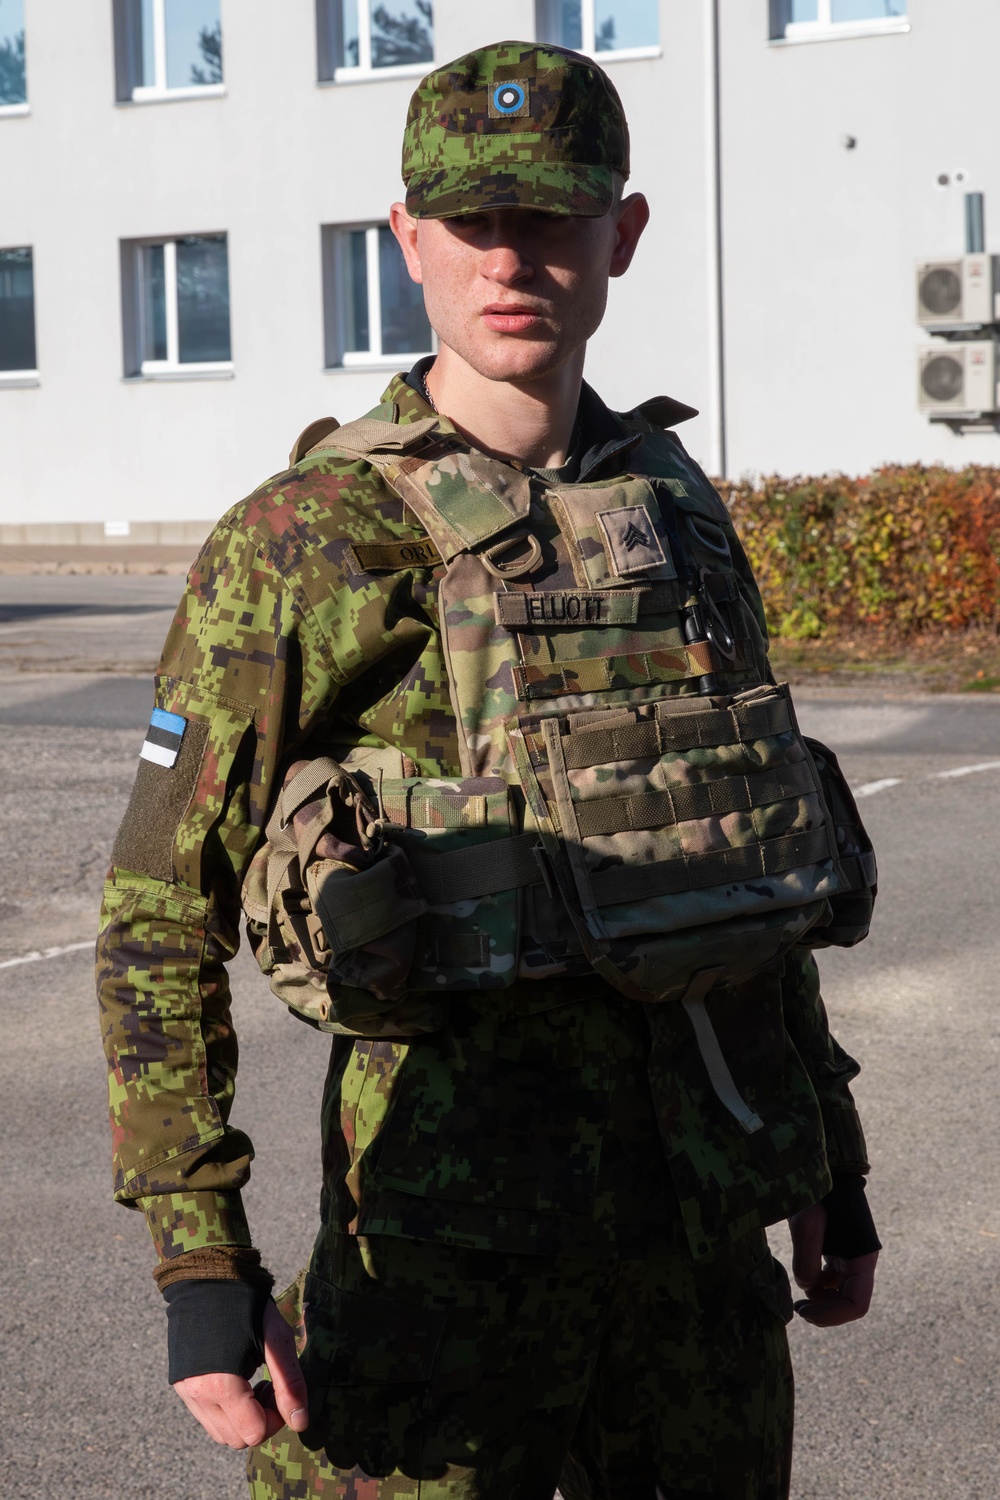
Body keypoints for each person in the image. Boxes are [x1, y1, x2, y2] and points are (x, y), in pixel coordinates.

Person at [97, 40, 880, 1500]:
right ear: (409, 242)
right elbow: (157, 911)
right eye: (471, 221)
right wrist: (198, 1253)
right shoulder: (310, 539)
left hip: (702, 1279)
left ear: (622, 234)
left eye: (551, 215)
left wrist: (827, 1151)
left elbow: (746, 850)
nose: (509, 257)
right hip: (439, 1280)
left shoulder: (675, 508)